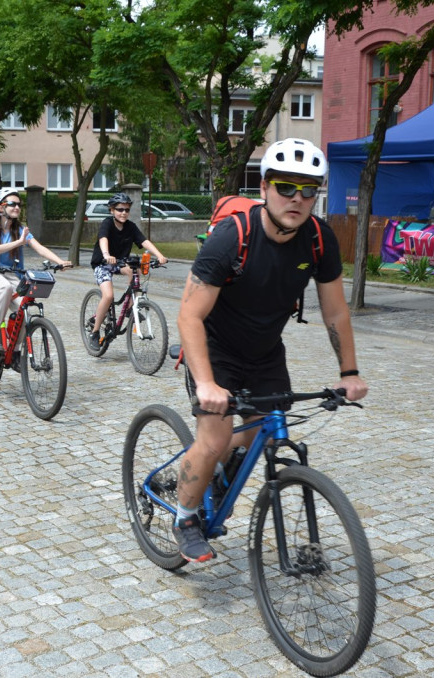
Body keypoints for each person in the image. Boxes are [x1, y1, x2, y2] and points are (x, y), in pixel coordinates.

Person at [172, 138, 369, 563]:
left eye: (309, 189)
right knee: (213, 437)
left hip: (264, 351)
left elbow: (335, 313)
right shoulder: (232, 238)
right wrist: (205, 383)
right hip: (215, 347)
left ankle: (221, 470)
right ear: (264, 188)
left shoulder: (319, 239)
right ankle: (185, 516)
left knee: (266, 424)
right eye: (285, 186)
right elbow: (189, 316)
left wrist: (349, 372)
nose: (297, 199)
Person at [0, 188, 72, 357]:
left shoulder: (19, 230)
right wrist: (18, 243)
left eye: (19, 204)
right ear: (0, 207)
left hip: (11, 274)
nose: (17, 207)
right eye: (12, 204)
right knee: (4, 287)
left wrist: (60, 262)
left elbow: (39, 248)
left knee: (24, 309)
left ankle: (16, 351)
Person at [87, 192, 168, 345]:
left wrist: (160, 255)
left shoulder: (130, 227)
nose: (123, 213)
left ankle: (131, 307)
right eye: (119, 209)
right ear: (112, 210)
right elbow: (103, 238)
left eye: (126, 210)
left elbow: (144, 241)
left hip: (120, 262)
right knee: (109, 296)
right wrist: (106, 254)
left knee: (135, 270)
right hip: (103, 264)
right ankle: (95, 332)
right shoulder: (107, 223)